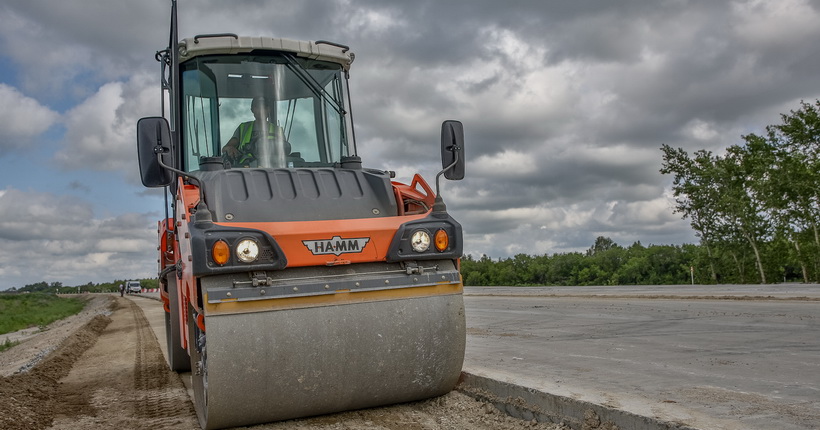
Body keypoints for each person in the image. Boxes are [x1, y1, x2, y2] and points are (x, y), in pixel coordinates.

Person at [222, 97, 292, 167]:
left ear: (268, 110)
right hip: (245, 169)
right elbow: (225, 148)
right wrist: (230, 149)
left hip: (272, 169)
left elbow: (284, 152)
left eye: (264, 107)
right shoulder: (243, 128)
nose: (261, 110)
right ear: (252, 110)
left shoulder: (278, 130)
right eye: (257, 107)